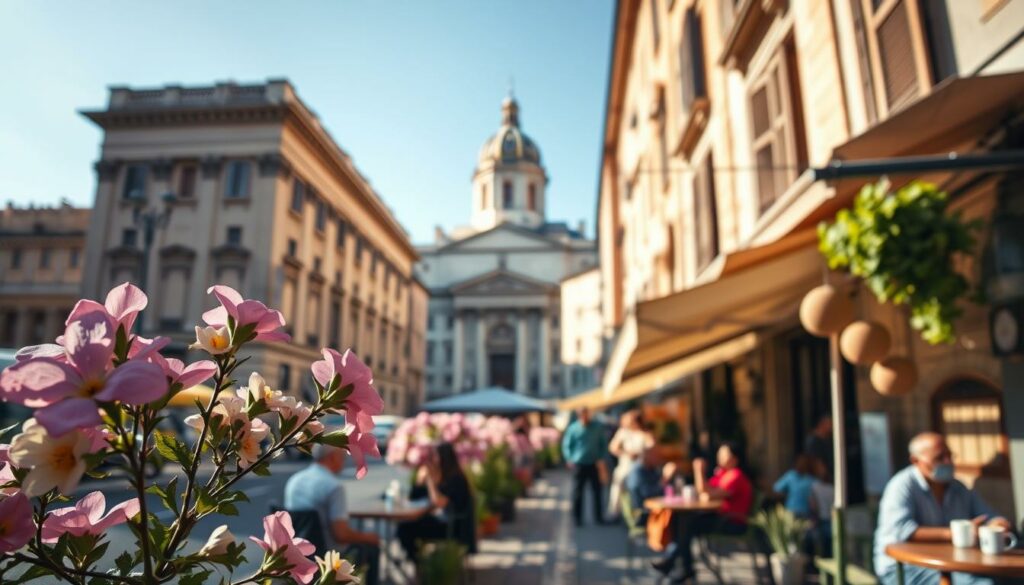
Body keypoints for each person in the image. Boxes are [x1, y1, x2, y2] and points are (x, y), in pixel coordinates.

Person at [873, 432, 1012, 585]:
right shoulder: (901, 485)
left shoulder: (958, 487)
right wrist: (956, 533)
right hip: (903, 566)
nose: (948, 462)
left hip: (954, 562)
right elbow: (903, 530)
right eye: (939, 458)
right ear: (915, 460)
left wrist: (998, 525)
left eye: (949, 456)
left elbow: (990, 516)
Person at [651, 441, 752, 583]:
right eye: (720, 453)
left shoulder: (735, 476)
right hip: (721, 517)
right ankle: (681, 566)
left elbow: (706, 492)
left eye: (724, 454)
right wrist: (706, 491)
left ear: (735, 459)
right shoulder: (723, 474)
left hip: (732, 522)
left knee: (688, 525)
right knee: (683, 521)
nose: (720, 456)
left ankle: (678, 564)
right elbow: (704, 493)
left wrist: (698, 471)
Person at [284, 444, 380, 585]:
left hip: (296, 552)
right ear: (332, 457)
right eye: (342, 456)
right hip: (325, 554)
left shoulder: (294, 480)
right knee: (371, 548)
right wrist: (368, 537)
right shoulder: (333, 486)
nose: (343, 461)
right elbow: (341, 535)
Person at [397, 442, 476, 563]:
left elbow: (439, 502)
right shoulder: (446, 476)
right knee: (407, 525)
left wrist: (430, 480)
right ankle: (417, 561)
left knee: (405, 528)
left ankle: (417, 562)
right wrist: (420, 480)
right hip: (446, 522)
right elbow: (415, 498)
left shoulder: (456, 479)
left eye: (434, 456)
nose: (432, 460)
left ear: (443, 458)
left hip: (453, 528)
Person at [561, 407, 609, 526]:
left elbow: (603, 444)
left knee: (597, 491)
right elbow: (567, 445)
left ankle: (599, 517)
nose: (585, 417)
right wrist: (569, 458)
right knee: (578, 492)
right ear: (579, 416)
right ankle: (578, 519)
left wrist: (602, 457)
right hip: (579, 464)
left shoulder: (597, 427)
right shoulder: (573, 428)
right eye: (583, 415)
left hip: (594, 462)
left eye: (587, 414)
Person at [607, 410, 655, 518]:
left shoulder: (644, 433)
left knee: (637, 488)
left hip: (641, 466)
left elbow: (652, 445)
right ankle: (616, 512)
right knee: (619, 486)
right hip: (626, 465)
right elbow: (613, 447)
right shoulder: (623, 432)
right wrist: (626, 453)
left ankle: (638, 511)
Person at [624, 449, 669, 524]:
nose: (658, 459)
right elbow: (647, 493)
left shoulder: (651, 469)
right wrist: (665, 479)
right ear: (647, 457)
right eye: (655, 457)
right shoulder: (637, 472)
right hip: (642, 512)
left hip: (651, 507)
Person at [773, 454, 817, 518]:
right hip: (791, 512)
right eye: (799, 463)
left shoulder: (811, 480)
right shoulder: (791, 475)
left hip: (805, 513)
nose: (801, 465)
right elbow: (776, 489)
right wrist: (786, 494)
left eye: (803, 463)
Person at [808, 457, 835, 557]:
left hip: (824, 518)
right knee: (827, 545)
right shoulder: (830, 488)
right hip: (825, 518)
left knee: (824, 545)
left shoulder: (817, 486)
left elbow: (813, 503)